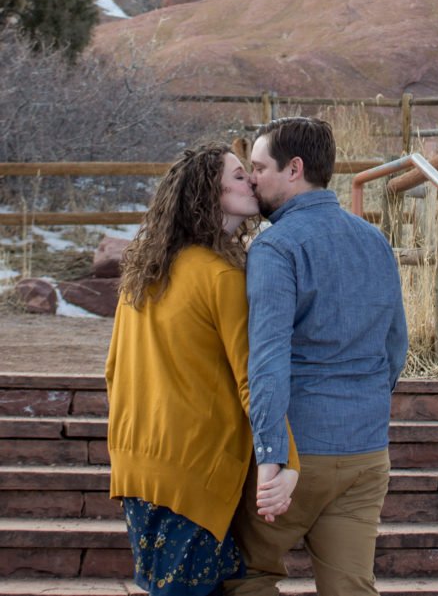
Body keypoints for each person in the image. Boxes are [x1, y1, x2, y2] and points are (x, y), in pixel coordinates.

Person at [106, 142, 300, 596]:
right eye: (237, 176)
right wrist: (284, 462)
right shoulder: (221, 276)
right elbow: (256, 376)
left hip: (136, 467)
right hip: (192, 472)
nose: (250, 180)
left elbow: (112, 370)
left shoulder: (145, 271)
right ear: (207, 195)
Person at [226, 116, 409, 596]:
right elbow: (396, 346)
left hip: (297, 454)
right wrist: (362, 402)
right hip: (366, 453)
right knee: (351, 587)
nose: (253, 178)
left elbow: (265, 360)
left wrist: (271, 455)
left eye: (260, 166)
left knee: (246, 577)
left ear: (294, 169)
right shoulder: (375, 240)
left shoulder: (276, 247)